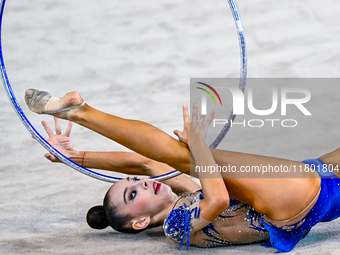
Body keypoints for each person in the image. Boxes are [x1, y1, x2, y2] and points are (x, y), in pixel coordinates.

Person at [25, 89, 340, 252]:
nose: (145, 185)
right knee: (187, 155)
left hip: (319, 188)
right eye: (133, 194)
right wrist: (199, 145)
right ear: (140, 222)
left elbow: (146, 163)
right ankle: (82, 112)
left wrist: (76, 156)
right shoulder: (176, 227)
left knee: (183, 159)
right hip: (290, 204)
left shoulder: (186, 195)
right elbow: (216, 199)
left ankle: (81, 113)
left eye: (136, 184)